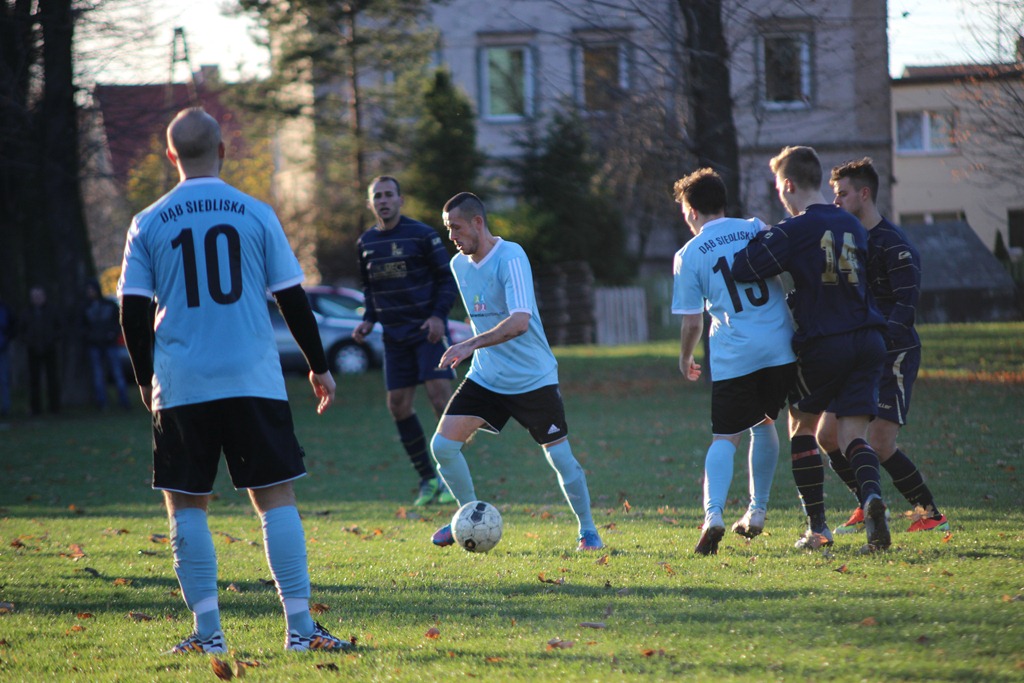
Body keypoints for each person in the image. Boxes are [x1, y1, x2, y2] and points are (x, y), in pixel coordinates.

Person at [118, 107, 351, 654]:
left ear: (171, 155)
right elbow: (292, 298)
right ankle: (300, 630)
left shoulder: (148, 221)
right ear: (223, 151)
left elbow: (131, 315)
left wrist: (146, 381)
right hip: (253, 377)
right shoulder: (256, 212)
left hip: (183, 382)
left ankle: (207, 635)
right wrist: (319, 366)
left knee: (186, 504)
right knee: (276, 499)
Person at [731, 145, 893, 551]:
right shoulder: (853, 225)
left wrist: (763, 235)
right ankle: (872, 498)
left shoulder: (796, 228)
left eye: (777, 188)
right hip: (869, 338)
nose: (779, 197)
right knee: (853, 434)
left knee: (801, 425)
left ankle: (818, 528)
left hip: (826, 340)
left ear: (788, 184)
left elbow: (744, 266)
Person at [428, 192, 604, 552]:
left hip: (532, 378)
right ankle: (465, 516)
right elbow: (482, 315)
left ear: (478, 222)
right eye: (448, 230)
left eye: (456, 228)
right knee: (443, 447)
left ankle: (588, 530)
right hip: (487, 377)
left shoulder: (511, 257)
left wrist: (468, 344)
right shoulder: (459, 265)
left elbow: (520, 322)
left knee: (559, 458)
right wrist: (472, 345)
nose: (452, 237)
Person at [671, 169, 798, 555]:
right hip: (779, 345)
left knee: (725, 437)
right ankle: (757, 511)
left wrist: (685, 356)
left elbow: (693, 321)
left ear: (691, 210)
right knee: (764, 422)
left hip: (735, 353)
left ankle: (713, 516)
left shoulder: (689, 254)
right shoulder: (755, 227)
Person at [823, 157, 948, 533]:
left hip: (892, 352)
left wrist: (875, 343)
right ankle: (869, 506)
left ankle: (931, 515)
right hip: (856, 352)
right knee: (827, 435)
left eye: (842, 194)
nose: (837, 202)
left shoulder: (894, 244)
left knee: (878, 442)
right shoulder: (846, 243)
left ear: (864, 193)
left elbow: (905, 306)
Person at [353, 176, 459, 507]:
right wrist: (369, 319)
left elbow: (447, 278)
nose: (383, 201)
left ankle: (451, 476)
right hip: (394, 337)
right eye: (377, 197)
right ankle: (428, 479)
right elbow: (370, 288)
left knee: (440, 400)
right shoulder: (366, 243)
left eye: (388, 195)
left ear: (401, 200)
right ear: (371, 204)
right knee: (397, 406)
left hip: (427, 332)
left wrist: (438, 317)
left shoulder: (423, 235)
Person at [82, 279, 131, 411]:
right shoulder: (86, 307)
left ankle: (123, 401)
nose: (90, 293)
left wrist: (112, 335)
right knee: (100, 375)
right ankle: (103, 402)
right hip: (95, 344)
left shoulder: (107, 306)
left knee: (116, 373)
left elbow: (118, 323)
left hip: (109, 343)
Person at [20, 285, 61, 416]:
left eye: (39, 296)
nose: (37, 299)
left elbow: (59, 328)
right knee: (34, 380)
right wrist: (29, 341)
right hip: (33, 349)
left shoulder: (52, 311)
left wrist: (52, 340)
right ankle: (35, 408)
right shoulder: (26, 312)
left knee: (52, 379)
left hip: (49, 348)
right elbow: (21, 330)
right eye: (34, 296)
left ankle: (54, 407)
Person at [0, 295, 15, 418]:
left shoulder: (5, 309)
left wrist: (7, 339)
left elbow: (12, 326)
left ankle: (5, 407)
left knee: (4, 379)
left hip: (2, 348)